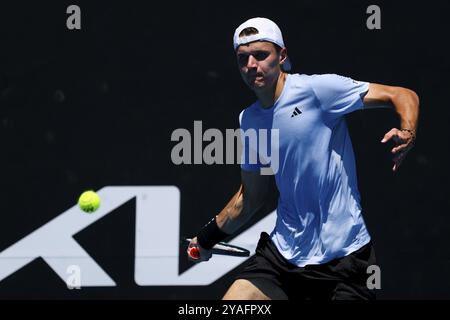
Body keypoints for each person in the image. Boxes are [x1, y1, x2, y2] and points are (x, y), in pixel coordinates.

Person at [187, 17, 419, 300]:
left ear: (282, 56)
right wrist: (208, 237)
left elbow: (402, 95)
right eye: (243, 58)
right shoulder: (249, 120)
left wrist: (408, 130)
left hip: (345, 260)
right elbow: (250, 198)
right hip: (282, 258)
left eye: (261, 55)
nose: (251, 65)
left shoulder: (318, 90)